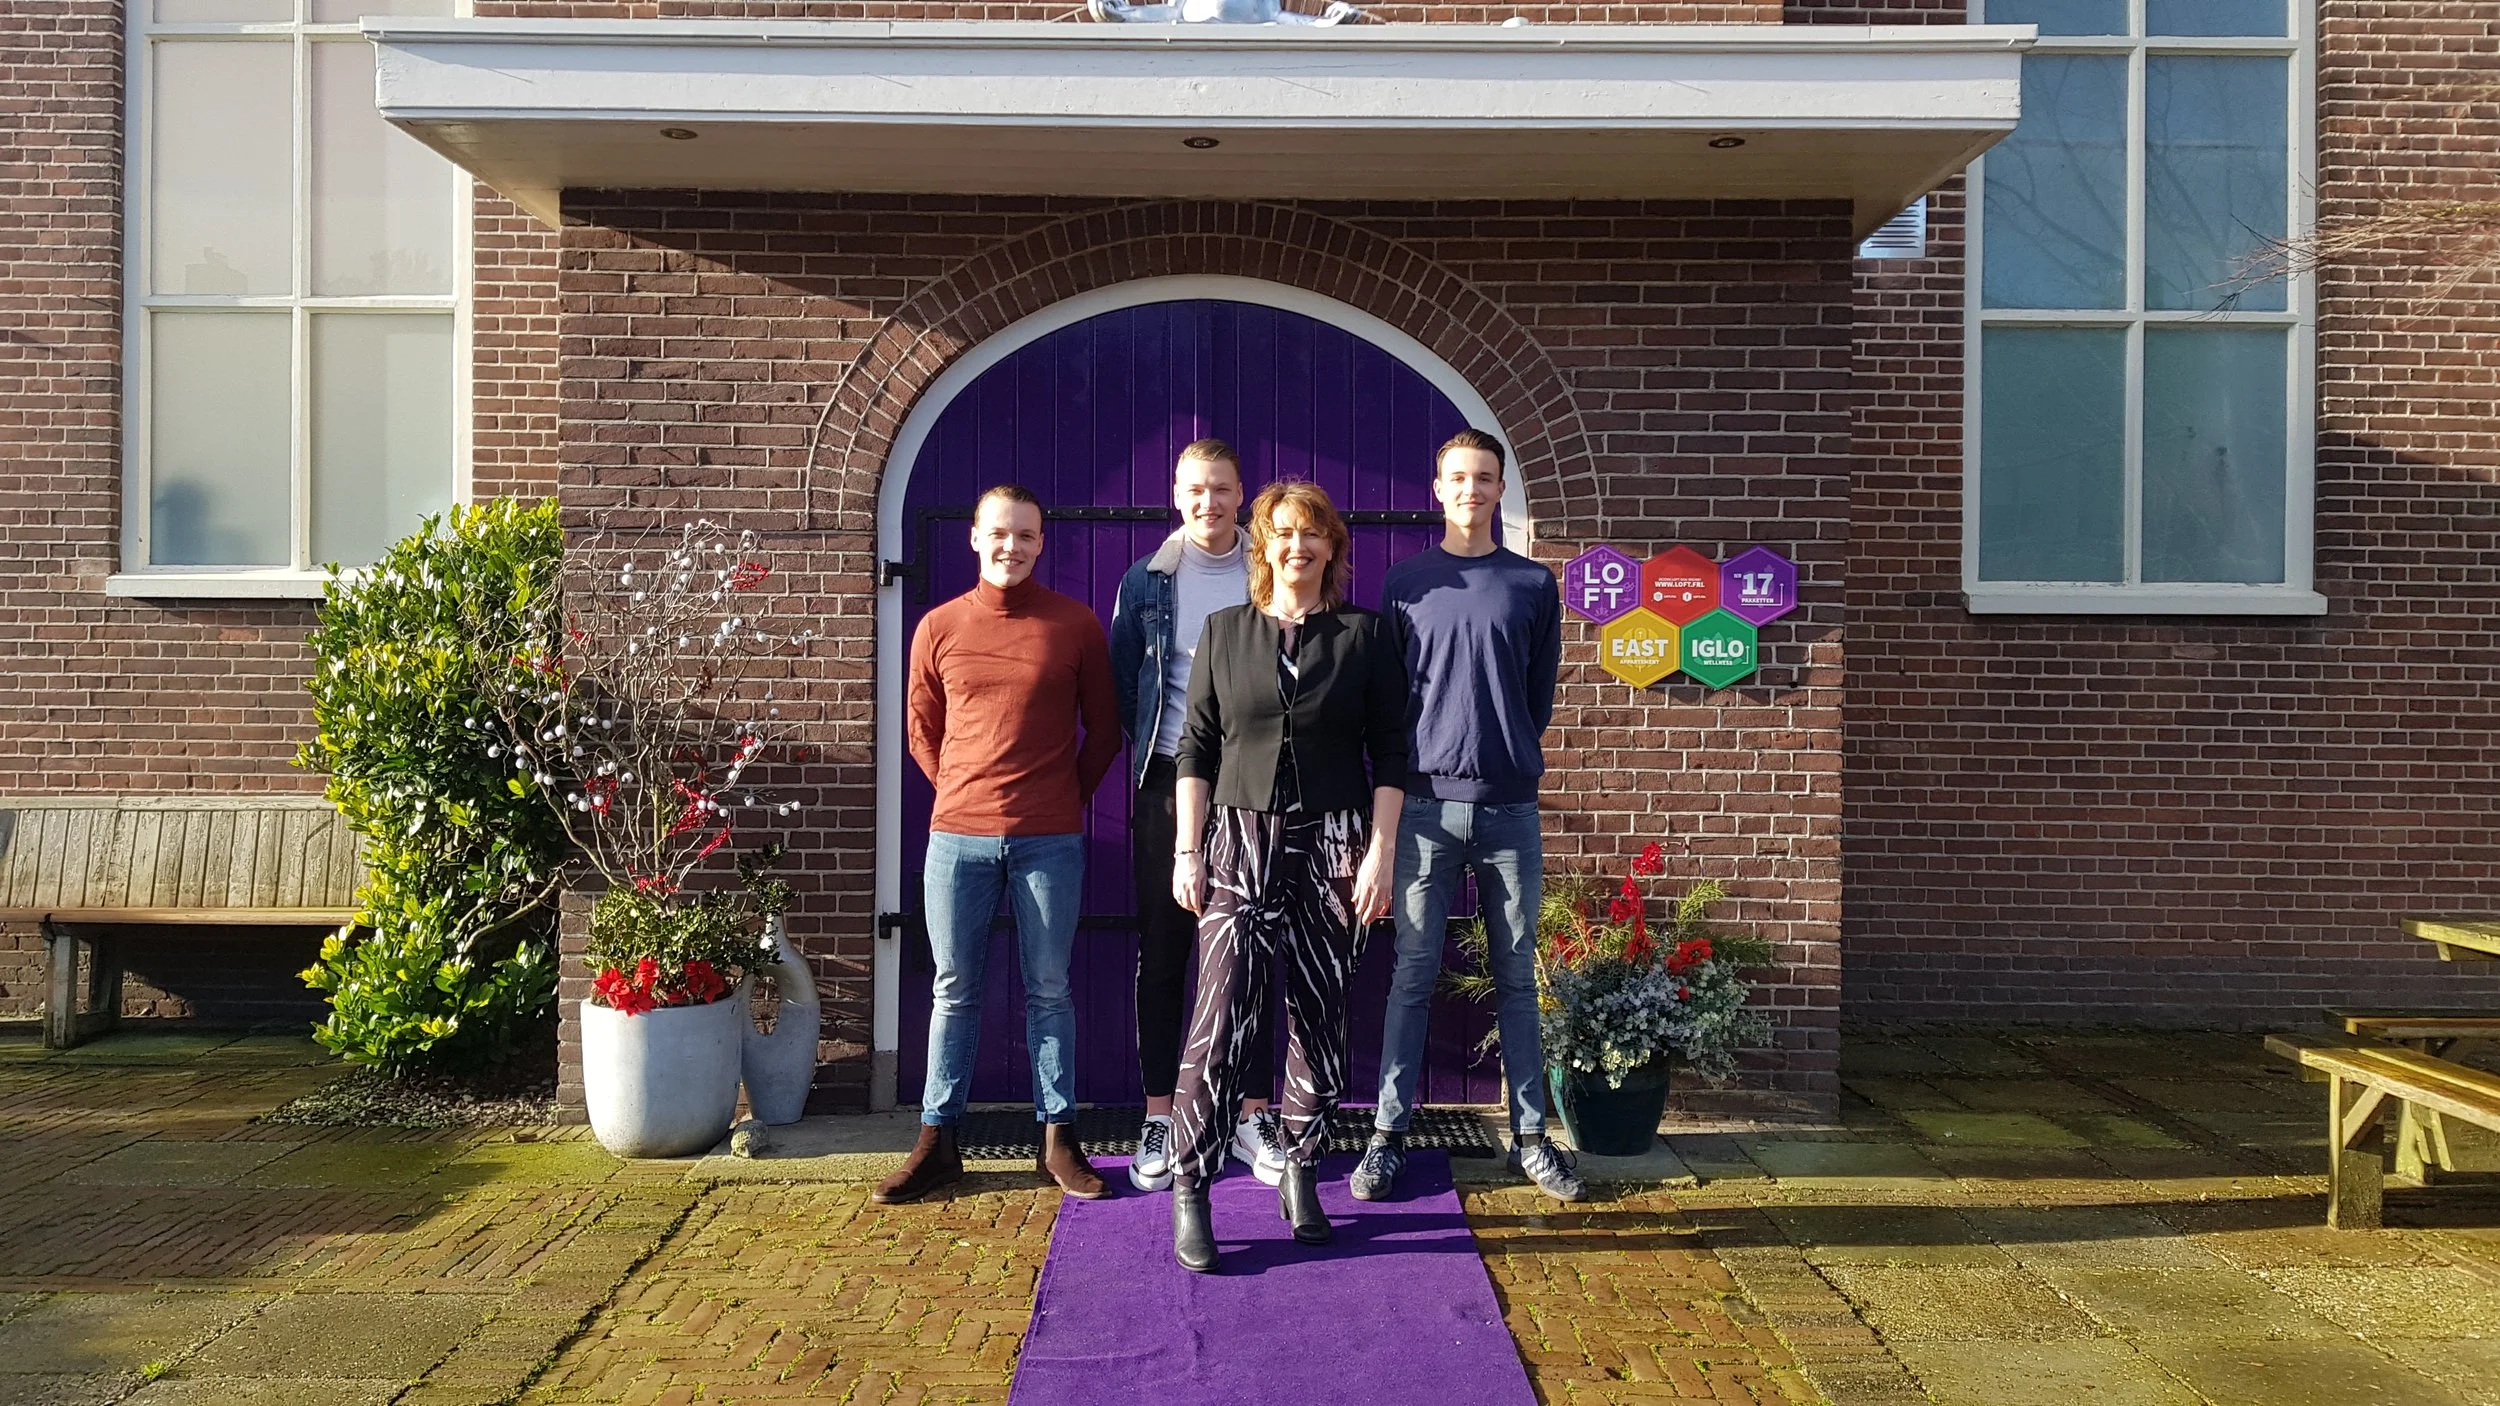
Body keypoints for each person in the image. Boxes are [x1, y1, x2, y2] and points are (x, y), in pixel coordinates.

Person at [1165, 480, 1408, 1272]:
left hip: (1335, 844)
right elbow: (1195, 747)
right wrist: (1188, 849)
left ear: (1331, 547)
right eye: (1282, 534)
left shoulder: (1364, 637)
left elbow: (1392, 753)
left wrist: (1380, 850)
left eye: (1312, 534)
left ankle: (1301, 1166)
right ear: (1261, 547)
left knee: (1320, 1009)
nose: (1297, 547)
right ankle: (1192, 1184)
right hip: (1236, 840)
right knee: (1220, 1010)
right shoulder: (1224, 632)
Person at [1353, 428, 1587, 1204]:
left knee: (1517, 978)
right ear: (1438, 487)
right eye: (1458, 477)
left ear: (1499, 489)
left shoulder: (1531, 585)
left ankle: (1529, 1138)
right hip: (1423, 808)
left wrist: (1504, 754)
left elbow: (1537, 697)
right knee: (1413, 976)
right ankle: (1386, 1137)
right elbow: (1389, 703)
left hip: (1509, 811)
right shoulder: (1406, 583)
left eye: (1484, 478)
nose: (1471, 490)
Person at [878, 484, 1121, 1206]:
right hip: (957, 839)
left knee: (1050, 990)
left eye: (1025, 535)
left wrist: (1059, 800)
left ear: (1042, 543)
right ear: (974, 539)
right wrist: (962, 788)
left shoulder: (1073, 626)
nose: (1010, 546)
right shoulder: (938, 626)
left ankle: (1058, 1138)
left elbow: (1104, 730)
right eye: (999, 534)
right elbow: (922, 730)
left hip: (1051, 842)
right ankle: (937, 1141)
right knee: (954, 990)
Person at [1108, 439, 1288, 1194]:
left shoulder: (1268, 571)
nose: (1207, 502)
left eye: (1220, 489)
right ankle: (1162, 1114)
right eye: (1194, 490)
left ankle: (1250, 1113)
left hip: (1256, 785)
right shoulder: (1147, 583)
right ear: (1175, 494)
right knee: (1167, 949)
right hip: (1166, 787)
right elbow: (1128, 684)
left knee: (1252, 947)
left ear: (1240, 493)